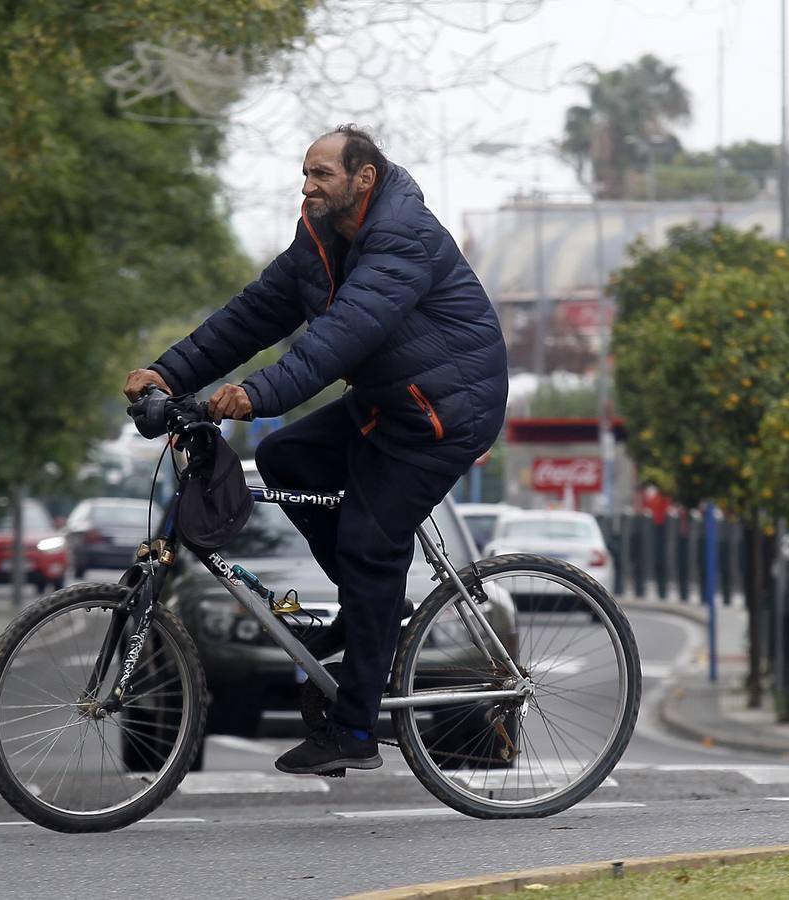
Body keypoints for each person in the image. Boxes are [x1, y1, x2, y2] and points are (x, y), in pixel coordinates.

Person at [124, 125, 508, 774]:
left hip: (444, 413)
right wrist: (168, 373)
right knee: (285, 459)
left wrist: (254, 394)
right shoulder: (318, 237)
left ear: (364, 178)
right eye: (305, 174)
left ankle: (354, 731)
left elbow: (341, 337)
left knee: (366, 540)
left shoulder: (401, 236)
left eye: (321, 174)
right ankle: (371, 609)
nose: (307, 186)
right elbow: (253, 314)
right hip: (388, 402)